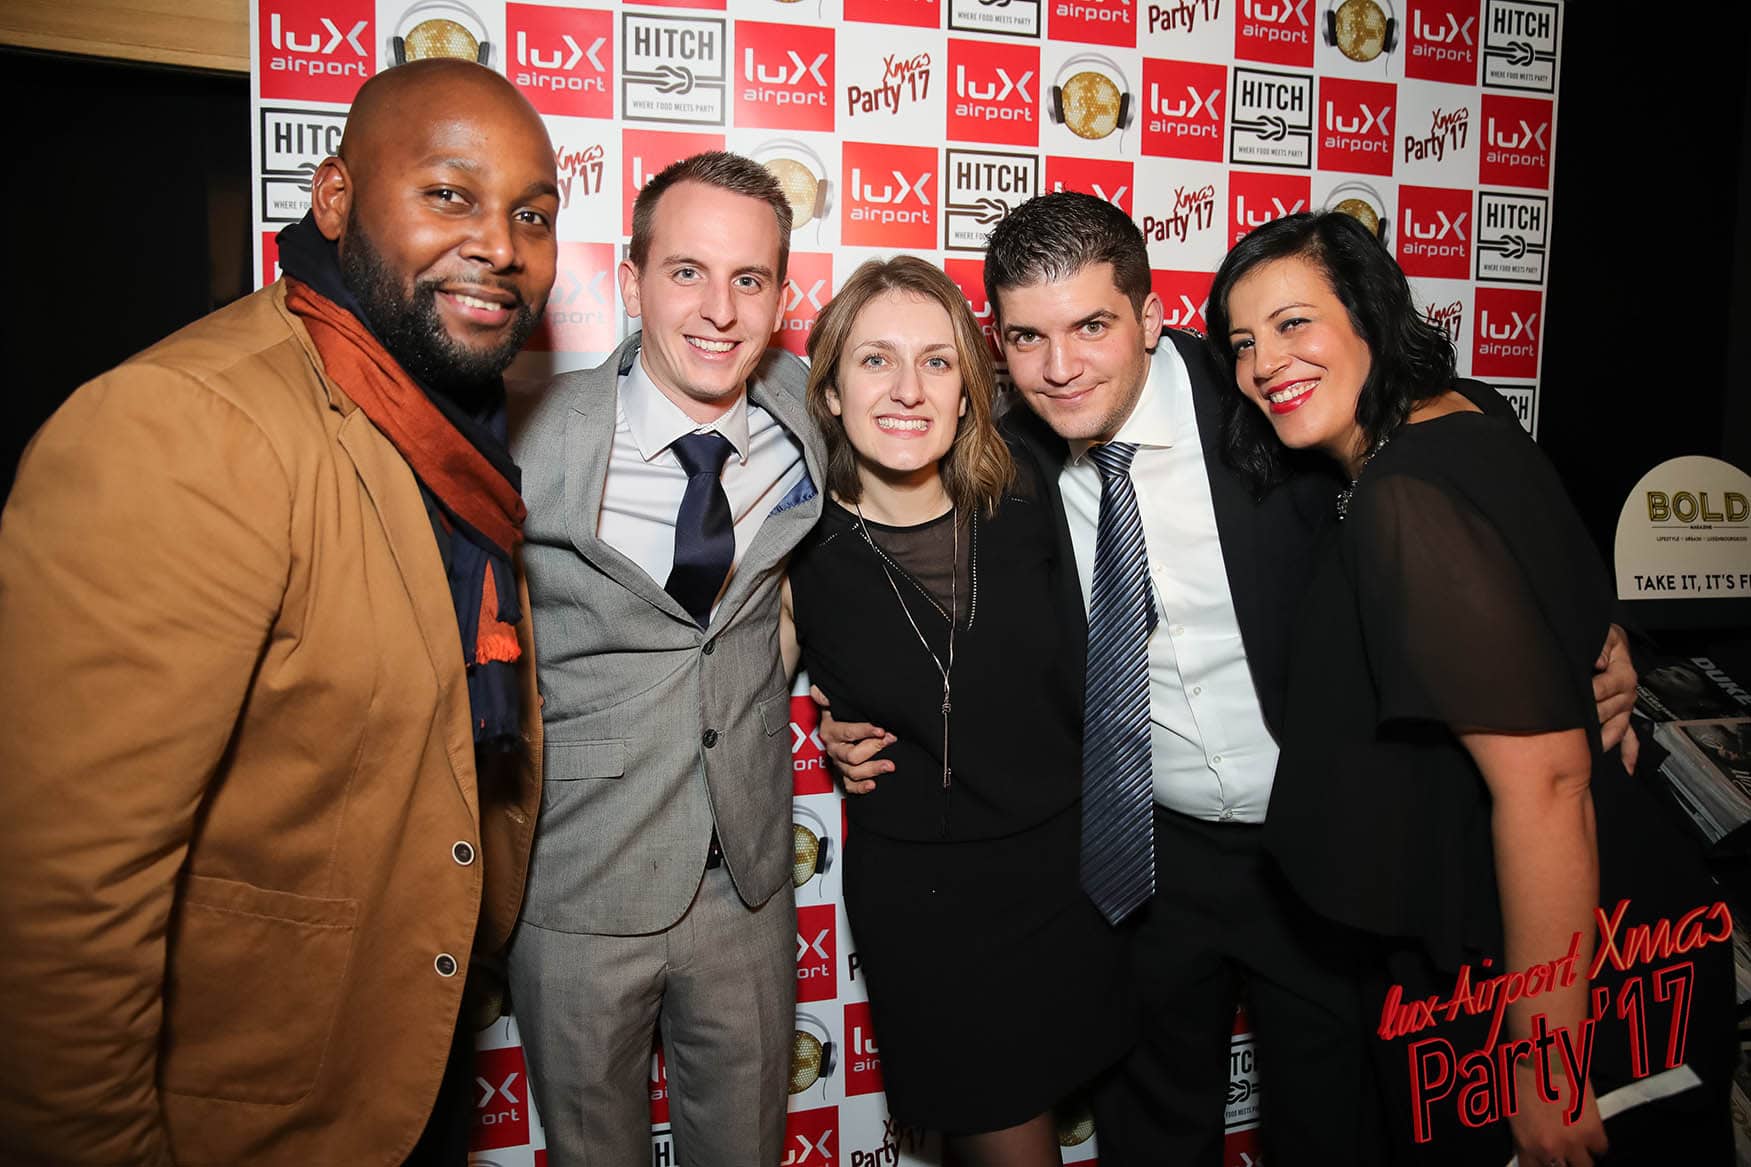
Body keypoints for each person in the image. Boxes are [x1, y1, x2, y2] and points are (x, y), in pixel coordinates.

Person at [822, 192, 1643, 1165]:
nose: (1060, 367)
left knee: (1332, 1130)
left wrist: (1585, 625)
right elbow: (912, 581)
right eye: (1027, 338)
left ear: (1148, 316)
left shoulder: (1272, 395)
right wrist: (851, 707)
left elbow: (1454, 438)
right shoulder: (1008, 454)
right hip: (1140, 860)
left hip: (1318, 846)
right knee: (1152, 1133)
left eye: (1091, 327)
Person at [0, 59, 554, 1166]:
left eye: (531, 214)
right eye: (449, 194)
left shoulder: (449, 423)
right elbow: (60, 905)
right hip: (243, 1115)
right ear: (335, 198)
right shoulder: (187, 427)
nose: (498, 244)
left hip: (393, 1058)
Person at [1206, 210, 1734, 1166]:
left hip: (1537, 971)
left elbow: (1546, 786)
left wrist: (1544, 1066)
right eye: (1242, 342)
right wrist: (1602, 641)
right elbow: (1545, 579)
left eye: (1292, 323)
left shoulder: (1405, 497)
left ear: (1369, 312)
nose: (1263, 364)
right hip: (1578, 930)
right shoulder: (1470, 413)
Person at [508, 152, 825, 1166]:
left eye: (749, 279)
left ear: (781, 297)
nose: (719, 311)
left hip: (746, 886)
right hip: (576, 887)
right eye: (687, 271)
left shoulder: (812, 417)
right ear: (631, 278)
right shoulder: (523, 438)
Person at [780, 256, 1134, 1166]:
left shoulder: (1034, 495)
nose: (908, 389)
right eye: (875, 360)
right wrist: (821, 719)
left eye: (937, 361)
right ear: (829, 391)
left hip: (1074, 876)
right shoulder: (796, 546)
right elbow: (719, 697)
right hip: (931, 910)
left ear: (970, 390)